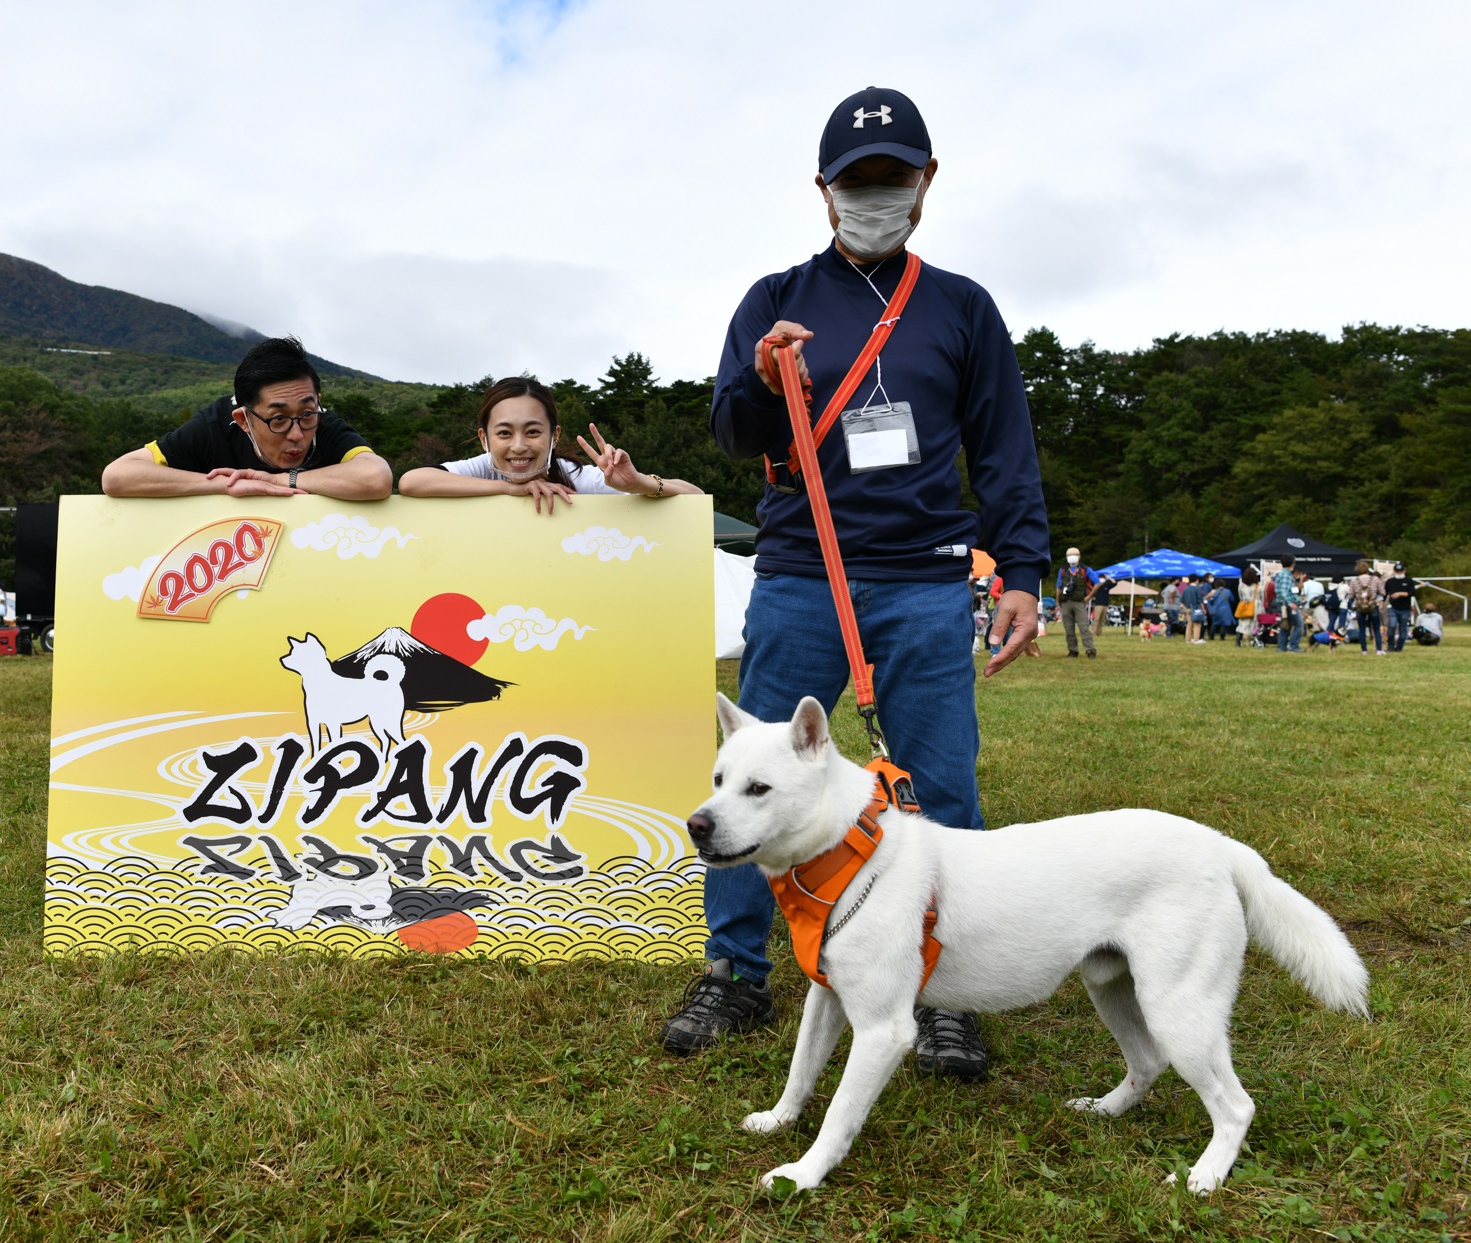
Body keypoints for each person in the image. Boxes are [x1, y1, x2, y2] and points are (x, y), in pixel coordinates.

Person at [670, 86, 1049, 1080]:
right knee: (757, 779)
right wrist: (760, 377)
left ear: (926, 184)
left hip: (925, 577)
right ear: (823, 190)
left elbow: (1005, 446)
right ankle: (736, 968)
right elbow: (732, 435)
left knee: (939, 782)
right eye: (856, 181)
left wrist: (1022, 568)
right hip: (801, 570)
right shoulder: (775, 297)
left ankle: (940, 981)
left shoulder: (962, 307)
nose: (874, 196)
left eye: (893, 179)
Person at [101, 336, 391, 500]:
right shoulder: (214, 426)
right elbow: (117, 477)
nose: (296, 434)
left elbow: (376, 478)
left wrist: (277, 481)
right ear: (243, 420)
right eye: (277, 419)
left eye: (306, 414)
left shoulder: (321, 421)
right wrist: (224, 486)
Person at [398, 376, 701, 511]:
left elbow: (695, 497)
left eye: (532, 432)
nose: (518, 446)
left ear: (554, 436)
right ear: (484, 439)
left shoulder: (580, 477)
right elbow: (411, 482)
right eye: (504, 433)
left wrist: (639, 483)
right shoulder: (483, 469)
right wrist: (512, 488)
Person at [1054, 548, 1097, 658]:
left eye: (1074, 554)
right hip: (1065, 602)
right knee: (1068, 628)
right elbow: (1058, 586)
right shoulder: (1063, 570)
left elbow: (1097, 582)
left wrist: (1089, 596)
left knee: (1084, 627)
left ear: (1079, 556)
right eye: (1069, 555)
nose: (1072, 557)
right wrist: (1057, 602)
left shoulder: (1085, 570)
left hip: (1080, 602)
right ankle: (1072, 650)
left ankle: (1090, 650)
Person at [1345, 559, 1386, 656]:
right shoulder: (1375, 579)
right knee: (1376, 628)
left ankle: (1364, 650)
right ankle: (1379, 650)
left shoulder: (1354, 581)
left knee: (1362, 629)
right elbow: (1383, 592)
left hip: (1360, 606)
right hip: (1373, 605)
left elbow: (1350, 595)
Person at [1384, 561, 1417, 652]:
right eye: (1397, 571)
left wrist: (1401, 594)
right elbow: (1385, 594)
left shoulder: (1409, 581)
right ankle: (1390, 646)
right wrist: (1382, 603)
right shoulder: (1390, 582)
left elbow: (1413, 593)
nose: (1399, 573)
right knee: (1392, 626)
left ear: (1404, 571)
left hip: (1405, 608)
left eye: (1401, 571)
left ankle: (1399, 647)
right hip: (1393, 607)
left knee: (1403, 629)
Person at [1273, 558, 1303, 652]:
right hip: (1287, 603)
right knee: (1299, 624)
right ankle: (1293, 646)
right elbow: (1283, 591)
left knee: (1286, 625)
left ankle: (1281, 647)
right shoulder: (1286, 575)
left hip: (1282, 603)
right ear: (1292, 564)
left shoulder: (1280, 574)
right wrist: (1290, 603)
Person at [1235, 566, 1260, 649]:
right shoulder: (1257, 586)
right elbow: (1260, 597)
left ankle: (1238, 640)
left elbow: (1240, 596)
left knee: (1242, 624)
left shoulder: (1241, 585)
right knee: (1254, 625)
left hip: (1243, 605)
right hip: (1254, 606)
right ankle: (1254, 641)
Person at [1206, 576, 1235, 641]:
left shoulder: (1214, 592)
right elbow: (1232, 599)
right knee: (1224, 624)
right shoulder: (1228, 591)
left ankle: (1211, 637)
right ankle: (1222, 637)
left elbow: (1210, 601)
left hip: (1215, 609)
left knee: (1214, 623)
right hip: (1225, 609)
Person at [1180, 574, 1207, 644]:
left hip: (1188, 609)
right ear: (1196, 580)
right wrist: (1203, 609)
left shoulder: (1186, 589)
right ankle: (1196, 639)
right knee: (1197, 624)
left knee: (1189, 624)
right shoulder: (1197, 589)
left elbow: (1182, 600)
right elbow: (1200, 600)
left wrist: (1186, 607)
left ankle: (1188, 640)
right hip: (1196, 609)